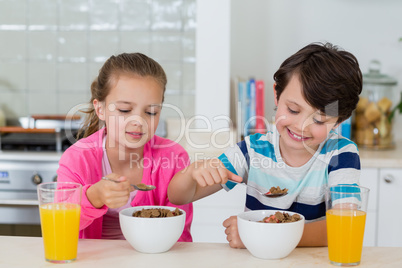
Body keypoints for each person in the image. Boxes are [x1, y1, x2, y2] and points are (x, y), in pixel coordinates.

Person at [167, 42, 362, 248]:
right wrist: (191, 174)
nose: (301, 126)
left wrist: (261, 235)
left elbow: (345, 226)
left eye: (319, 120)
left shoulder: (340, 154)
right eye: (293, 110)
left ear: (339, 120)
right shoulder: (254, 150)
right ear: (277, 95)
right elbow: (177, 197)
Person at [57, 53, 193, 241]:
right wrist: (94, 196)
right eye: (124, 110)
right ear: (100, 109)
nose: (138, 121)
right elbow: (59, 222)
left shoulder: (174, 158)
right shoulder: (78, 158)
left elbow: (180, 236)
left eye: (151, 112)